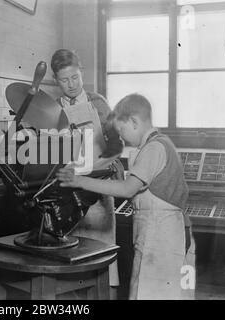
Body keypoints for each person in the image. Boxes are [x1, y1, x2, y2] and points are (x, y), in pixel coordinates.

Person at [57, 93, 196, 300]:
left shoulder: (154, 148)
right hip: (160, 234)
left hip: (161, 236)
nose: (121, 137)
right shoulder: (161, 144)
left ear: (134, 122)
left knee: (151, 293)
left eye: (121, 130)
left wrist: (79, 181)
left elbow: (127, 189)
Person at [51, 49, 124, 299]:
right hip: (68, 193)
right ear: (55, 80)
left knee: (103, 259)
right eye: (64, 80)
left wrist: (103, 166)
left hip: (98, 187)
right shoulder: (52, 109)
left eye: (75, 78)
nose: (71, 85)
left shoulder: (98, 103)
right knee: (71, 261)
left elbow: (118, 145)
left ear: (81, 73)